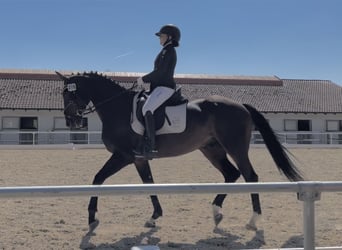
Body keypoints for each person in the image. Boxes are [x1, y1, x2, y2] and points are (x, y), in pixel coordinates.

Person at [134, 24, 181, 159]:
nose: (159, 38)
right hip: (158, 87)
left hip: (165, 88)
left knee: (147, 108)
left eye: (162, 35)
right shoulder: (165, 50)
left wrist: (144, 79)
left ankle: (151, 146)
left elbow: (160, 73)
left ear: (169, 37)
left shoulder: (170, 51)